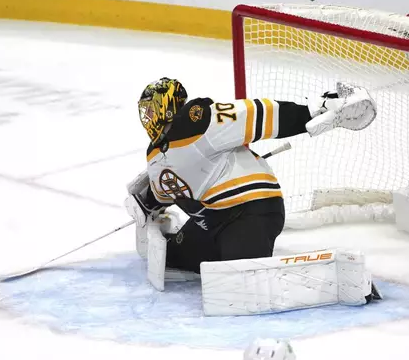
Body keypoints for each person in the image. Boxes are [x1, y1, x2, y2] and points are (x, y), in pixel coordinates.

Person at [124, 77, 377, 284]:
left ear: (169, 106)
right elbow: (167, 190)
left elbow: (257, 115)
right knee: (174, 258)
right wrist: (146, 201)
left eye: (151, 109)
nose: (147, 117)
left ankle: (338, 277)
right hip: (213, 221)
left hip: (253, 211)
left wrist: (310, 112)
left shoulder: (198, 120)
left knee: (241, 279)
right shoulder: (155, 155)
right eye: (144, 111)